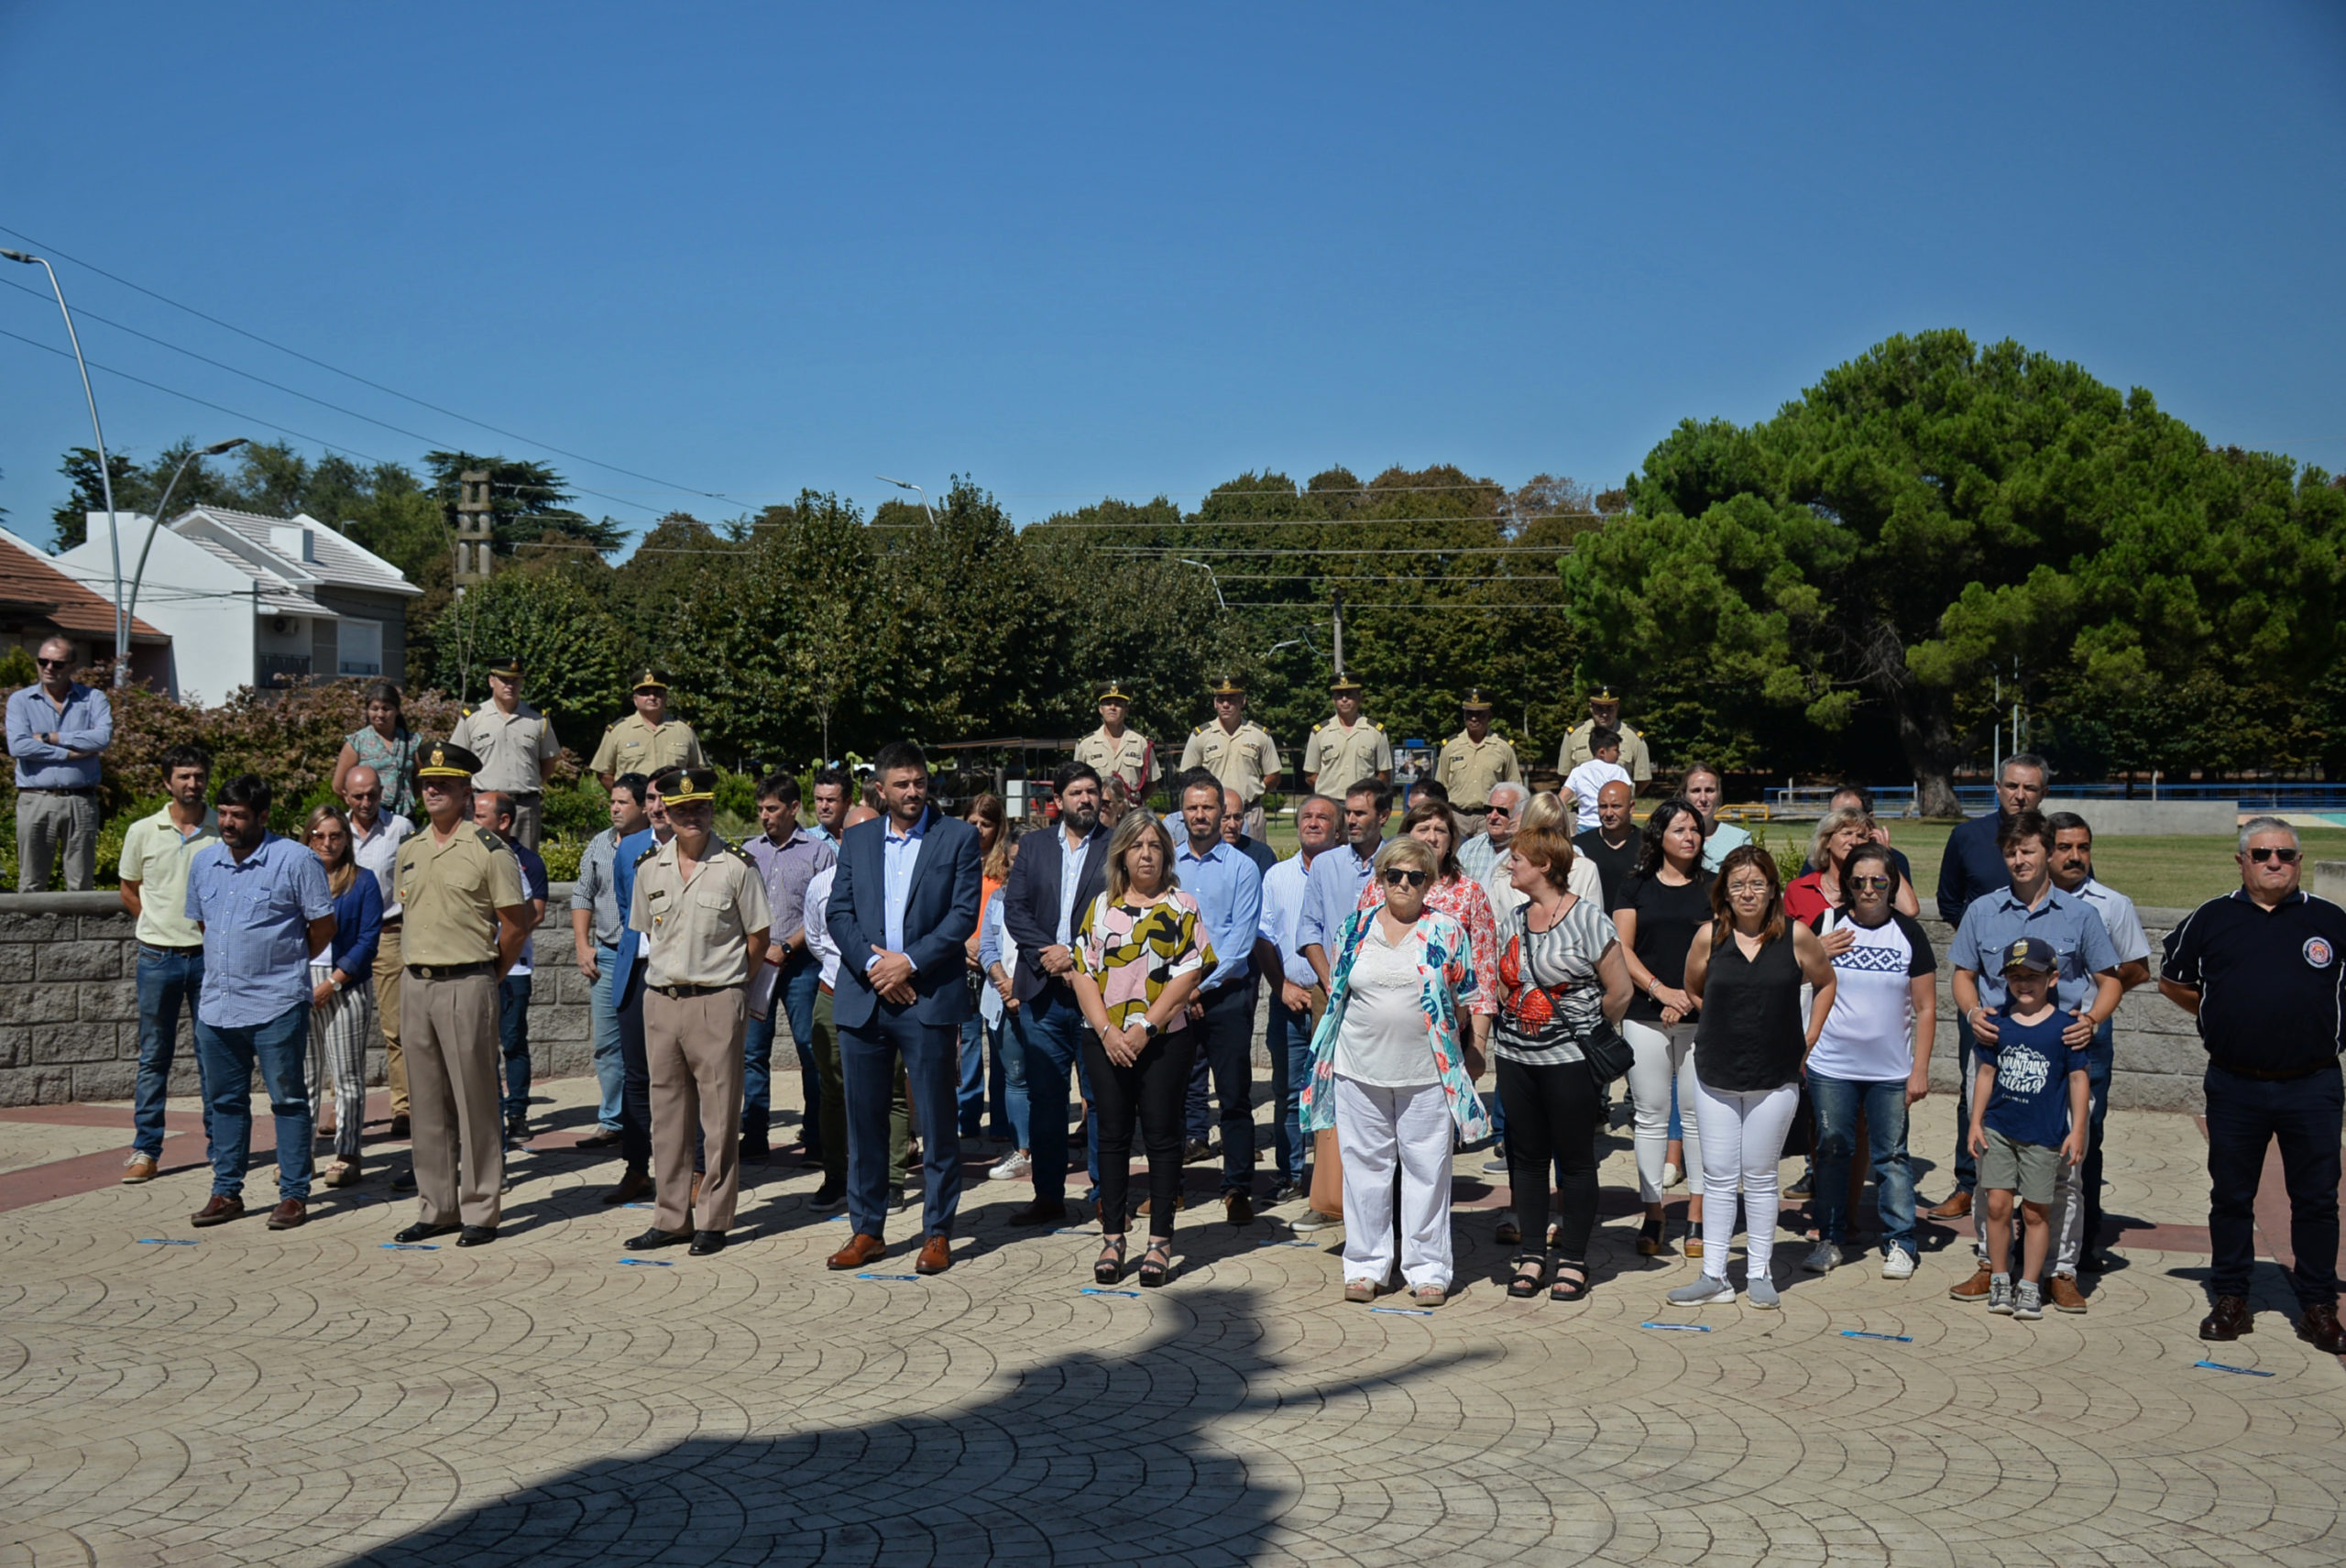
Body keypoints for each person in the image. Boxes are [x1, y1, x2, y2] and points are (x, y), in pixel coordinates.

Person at [2161, 817, 2346, 1353]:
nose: (2274, 863)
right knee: (2232, 1195)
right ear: (2241, 860)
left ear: (2299, 862)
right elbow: (2173, 979)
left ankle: (2316, 1305)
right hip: (2236, 1085)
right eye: (2263, 853)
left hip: (2312, 1086)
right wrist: (2217, 1016)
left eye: (2286, 855)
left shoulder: (2330, 921)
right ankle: (2232, 1297)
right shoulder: (2212, 918)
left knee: (2315, 1200)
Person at [1942, 807, 2123, 1304]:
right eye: (2011, 852)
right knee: (1988, 1166)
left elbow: (2111, 979)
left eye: (2028, 851)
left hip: (2060, 1060)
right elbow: (1961, 972)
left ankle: (2060, 1271)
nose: (2019, 860)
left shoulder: (2080, 914)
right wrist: (1972, 1007)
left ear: (2048, 852)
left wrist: (2090, 1020)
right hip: (1997, 1054)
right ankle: (1990, 1263)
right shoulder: (1983, 911)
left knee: (2065, 1169)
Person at [1303, 836, 1489, 1305]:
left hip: (1426, 1072)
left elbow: (1466, 997)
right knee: (1365, 1169)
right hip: (1357, 1068)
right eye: (1395, 875)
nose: (1404, 884)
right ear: (1381, 878)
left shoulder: (1447, 930)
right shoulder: (1355, 927)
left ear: (1429, 883)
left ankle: (1428, 1269)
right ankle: (1365, 1266)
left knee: (1428, 1170)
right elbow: (1337, 990)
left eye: (1416, 877)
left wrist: (1461, 1042)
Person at [823, 741, 983, 1277]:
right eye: (902, 784)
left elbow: (962, 917)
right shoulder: (860, 837)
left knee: (937, 1121)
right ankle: (867, 1229)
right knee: (864, 1122)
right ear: (881, 789)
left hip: (928, 997)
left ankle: (937, 1232)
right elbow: (838, 911)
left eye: (919, 782)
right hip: (865, 997)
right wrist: (877, 968)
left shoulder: (957, 837)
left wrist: (907, 964)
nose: (913, 792)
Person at [1665, 845, 1837, 1309]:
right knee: (1718, 1176)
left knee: (1759, 1176)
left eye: (1757, 883)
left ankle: (1760, 1272)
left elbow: (1826, 982)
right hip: (1715, 1070)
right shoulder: (1708, 937)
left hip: (1776, 1074)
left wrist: (1810, 1037)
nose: (1748, 893)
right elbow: (1693, 987)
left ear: (1772, 890)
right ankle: (1714, 1275)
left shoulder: (1797, 937)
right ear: (1724, 890)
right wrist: (1724, 1017)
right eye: (1738, 884)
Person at [390, 742, 532, 1247]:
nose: (432, 789)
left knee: (475, 1102)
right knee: (426, 1102)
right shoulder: (409, 850)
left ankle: (480, 1208)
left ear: (465, 791)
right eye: (427, 782)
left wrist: (490, 974)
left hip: (469, 981)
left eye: (443, 783)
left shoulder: (489, 849)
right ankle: (437, 1206)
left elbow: (516, 924)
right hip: (416, 984)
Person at [625, 767, 772, 1255]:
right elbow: (649, 933)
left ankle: (713, 1218)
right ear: (664, 811)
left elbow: (758, 938)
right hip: (662, 1001)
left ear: (711, 809)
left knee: (720, 1117)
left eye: (701, 807)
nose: (693, 816)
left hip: (716, 1000)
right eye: (682, 808)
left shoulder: (737, 866)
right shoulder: (649, 868)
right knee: (666, 1118)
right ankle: (670, 1217)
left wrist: (732, 990)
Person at [182, 773, 334, 1231]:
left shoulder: (295, 859)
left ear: (263, 817)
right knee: (224, 1102)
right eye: (223, 813)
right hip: (217, 1007)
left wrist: (282, 967)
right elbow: (205, 928)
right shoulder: (204, 862)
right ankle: (226, 1191)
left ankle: (293, 1196)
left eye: (239, 816)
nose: (228, 823)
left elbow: (322, 928)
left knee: (287, 1100)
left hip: (276, 1005)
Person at [1070, 810, 1215, 1286]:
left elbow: (1189, 973)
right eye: (1136, 846)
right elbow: (1082, 972)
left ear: (1166, 854)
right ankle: (1113, 1237)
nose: (1146, 853)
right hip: (1105, 1042)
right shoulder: (1101, 907)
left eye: (1154, 845)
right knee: (1111, 1137)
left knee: (1161, 1137)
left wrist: (1144, 1029)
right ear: (1122, 855)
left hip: (1163, 1042)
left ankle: (1159, 1242)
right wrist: (1108, 1032)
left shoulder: (1182, 907)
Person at [1491, 826, 1631, 1302]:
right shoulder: (1512, 919)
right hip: (1514, 1056)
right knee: (1526, 1161)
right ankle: (1532, 1255)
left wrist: (1585, 1031)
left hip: (1569, 1060)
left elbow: (1620, 992)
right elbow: (1503, 983)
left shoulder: (1589, 919)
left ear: (1545, 865)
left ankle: (1573, 1258)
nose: (1510, 865)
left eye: (1517, 859)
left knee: (1574, 1161)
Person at [1802, 842, 1936, 1278]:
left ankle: (1900, 1242)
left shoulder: (1909, 934)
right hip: (1832, 1065)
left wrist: (1920, 1069)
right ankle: (1830, 1237)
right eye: (1858, 881)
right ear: (1847, 885)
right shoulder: (1829, 925)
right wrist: (1815, 950)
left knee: (1892, 1158)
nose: (1869, 889)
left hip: (1891, 1072)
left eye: (1879, 880)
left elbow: (1927, 1007)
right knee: (1832, 1151)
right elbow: (1790, 973)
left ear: (1892, 883)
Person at [1929, 752, 2051, 1221]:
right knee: (1976, 1083)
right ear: (1998, 788)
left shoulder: (2053, 838)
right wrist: (1991, 936)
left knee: (2039, 1086)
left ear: (2042, 794)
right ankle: (1968, 1181)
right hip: (1986, 993)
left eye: (2031, 788)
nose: (2020, 795)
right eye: (2013, 786)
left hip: (2044, 996)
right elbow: (1948, 900)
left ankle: (2033, 1190)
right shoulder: (1967, 837)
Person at [998, 762, 1113, 1226]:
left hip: (1096, 992)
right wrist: (1050, 953)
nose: (1084, 800)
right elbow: (1015, 909)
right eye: (1075, 793)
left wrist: (1075, 956)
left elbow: (1121, 911)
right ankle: (1048, 1195)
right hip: (1042, 992)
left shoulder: (1115, 844)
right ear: (1059, 801)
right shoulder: (1034, 847)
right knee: (1046, 1100)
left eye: (1091, 792)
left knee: (1102, 1099)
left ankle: (1107, 1194)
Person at [2045, 810, 2153, 1282]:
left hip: (2088, 1035)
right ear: (2046, 851)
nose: (2075, 857)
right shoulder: (2024, 902)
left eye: (2083, 847)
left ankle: (2081, 1245)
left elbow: (2139, 967)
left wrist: (2096, 999)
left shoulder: (2112, 904)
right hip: (2030, 1034)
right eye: (2065, 847)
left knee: (2083, 1139)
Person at [1962, 936, 2089, 1321]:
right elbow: (1986, 1073)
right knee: (1997, 1204)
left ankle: (2031, 1284)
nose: (2023, 983)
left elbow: (2079, 1079)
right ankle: (2000, 1277)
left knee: (2036, 1211)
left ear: (2053, 978)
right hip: (1999, 1128)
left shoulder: (2066, 1027)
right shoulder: (1997, 1023)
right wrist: (1975, 1123)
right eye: (2015, 975)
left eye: (2032, 975)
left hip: (2044, 1135)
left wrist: (2078, 1129)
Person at [1612, 797, 1715, 1257]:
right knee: (1650, 1117)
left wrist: (1689, 998)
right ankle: (1654, 1213)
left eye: (1694, 829)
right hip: (1645, 1016)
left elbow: (1724, 950)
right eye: (1679, 829)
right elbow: (1623, 950)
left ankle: (1696, 1217)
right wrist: (1661, 991)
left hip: (1701, 1017)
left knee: (1696, 1119)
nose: (1689, 836)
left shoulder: (1715, 888)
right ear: (1659, 837)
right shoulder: (1634, 887)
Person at [116, 743, 217, 1185]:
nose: (192, 783)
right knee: (154, 1056)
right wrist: (155, 926)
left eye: (198, 775)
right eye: (183, 776)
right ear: (167, 782)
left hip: (209, 960)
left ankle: (223, 1147)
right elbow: (128, 889)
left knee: (214, 1056)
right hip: (157, 959)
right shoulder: (143, 831)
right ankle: (145, 1151)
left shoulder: (221, 828)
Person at [1169, 773, 1266, 1224]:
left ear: (1221, 812)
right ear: (1182, 811)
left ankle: (1237, 1187)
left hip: (1223, 994)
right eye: (1193, 808)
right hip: (1173, 997)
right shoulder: (1167, 866)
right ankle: (1170, 1188)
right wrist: (1179, 990)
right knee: (1167, 1095)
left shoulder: (1243, 868)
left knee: (1233, 1094)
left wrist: (1198, 988)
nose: (1201, 815)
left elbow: (1240, 943)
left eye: (1209, 808)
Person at [743, 772, 837, 1162]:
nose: (765, 816)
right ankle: (754, 1135)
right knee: (752, 1053)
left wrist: (786, 946)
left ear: (793, 808)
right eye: (761, 809)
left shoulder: (818, 852)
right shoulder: (748, 852)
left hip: (801, 967)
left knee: (810, 1051)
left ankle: (817, 1139)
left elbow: (824, 913)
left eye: (773, 808)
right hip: (758, 967)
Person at [1256, 794, 1341, 1207]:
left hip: (1338, 1002)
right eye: (1306, 816)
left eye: (1322, 817)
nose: (1312, 823)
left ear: (1337, 828)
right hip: (1289, 998)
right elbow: (1264, 936)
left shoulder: (1349, 872)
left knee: (1339, 1094)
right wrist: (1279, 986)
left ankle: (1334, 1180)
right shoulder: (1276, 876)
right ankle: (1289, 1174)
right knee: (1288, 1091)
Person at [597, 771, 673, 1205]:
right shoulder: (627, 849)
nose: (658, 807)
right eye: (650, 799)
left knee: (680, 1077)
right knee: (635, 1077)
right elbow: (628, 909)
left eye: (664, 798)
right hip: (636, 973)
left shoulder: (694, 848)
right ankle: (636, 1168)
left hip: (678, 977)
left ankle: (691, 1169)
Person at [302, 805, 382, 1190]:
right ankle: (299, 1155)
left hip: (344, 983)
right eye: (319, 835)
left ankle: (347, 1153)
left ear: (346, 840)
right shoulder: (295, 876)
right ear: (308, 838)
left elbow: (369, 940)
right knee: (301, 1077)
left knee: (347, 1076)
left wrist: (332, 982)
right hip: (300, 985)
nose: (326, 843)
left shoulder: (362, 882)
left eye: (335, 835)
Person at [572, 773, 650, 1149]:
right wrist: (581, 945)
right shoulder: (599, 845)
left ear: (643, 806)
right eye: (612, 802)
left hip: (645, 956)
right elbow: (582, 895)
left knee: (649, 1043)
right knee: (606, 1041)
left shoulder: (657, 845)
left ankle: (649, 1119)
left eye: (623, 802)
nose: (615, 808)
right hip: (606, 953)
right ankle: (612, 1120)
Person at [341, 765, 414, 1137]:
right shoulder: (335, 831)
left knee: (395, 1027)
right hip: (343, 939)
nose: (366, 802)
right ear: (345, 796)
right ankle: (342, 1108)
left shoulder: (400, 828)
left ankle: (403, 1108)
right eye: (358, 796)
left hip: (389, 934)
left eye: (372, 794)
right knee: (339, 1030)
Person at [472, 791, 549, 1143]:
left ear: (503, 822)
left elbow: (535, 913)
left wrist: (504, 939)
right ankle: (488, 1113)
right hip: (474, 966)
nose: (473, 822)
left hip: (513, 968)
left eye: (480, 816)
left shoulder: (527, 862)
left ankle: (517, 1112)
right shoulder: (467, 855)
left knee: (513, 1041)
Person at [7, 635, 112, 891]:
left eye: (57, 663)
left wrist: (50, 738)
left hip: (80, 800)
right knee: (31, 883)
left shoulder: (93, 699)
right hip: (35, 799)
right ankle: (32, 932)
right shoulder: (20, 701)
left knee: (81, 883)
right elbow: (18, 746)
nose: (48, 668)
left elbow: (101, 738)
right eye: (43, 661)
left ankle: (80, 932)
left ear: (73, 666)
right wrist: (67, 753)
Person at [448, 656, 562, 849]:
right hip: (482, 806)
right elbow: (457, 762)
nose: (510, 685)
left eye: (515, 680)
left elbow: (548, 763)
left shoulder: (537, 719)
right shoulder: (473, 718)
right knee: (479, 864)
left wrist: (527, 784)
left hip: (524, 806)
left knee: (524, 870)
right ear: (491, 681)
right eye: (504, 679)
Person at [953, 793, 1008, 1144]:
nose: (978, 830)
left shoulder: (1005, 868)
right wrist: (961, 945)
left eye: (985, 824)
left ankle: (1003, 1122)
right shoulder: (956, 862)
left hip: (997, 966)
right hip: (963, 963)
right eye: (972, 823)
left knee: (1002, 1045)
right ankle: (967, 1117)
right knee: (968, 1044)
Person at [1179, 675, 1283, 840]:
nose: (1226, 705)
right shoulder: (1201, 735)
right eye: (1221, 699)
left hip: (1250, 812)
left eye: (1232, 699)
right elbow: (1187, 776)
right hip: (1212, 815)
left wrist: (1255, 791)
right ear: (1215, 703)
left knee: (1256, 861)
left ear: (1243, 701)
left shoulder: (1259, 735)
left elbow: (1274, 775)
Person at [1786, 808, 1920, 924]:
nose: (1854, 842)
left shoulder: (1874, 886)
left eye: (1861, 836)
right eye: (1847, 833)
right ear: (1827, 841)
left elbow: (1909, 911)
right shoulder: (1800, 888)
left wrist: (1885, 856)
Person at [590, 669, 707, 791]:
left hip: (672, 806)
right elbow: (604, 774)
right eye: (645, 693)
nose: (652, 697)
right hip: (635, 808)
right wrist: (625, 799)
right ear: (635, 699)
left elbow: (696, 771)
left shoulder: (684, 731)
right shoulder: (618, 731)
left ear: (666, 697)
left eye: (658, 693)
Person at [333, 679, 424, 821]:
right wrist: (362, 805)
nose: (380, 714)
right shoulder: (357, 742)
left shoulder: (411, 741)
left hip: (404, 817)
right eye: (374, 709)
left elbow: (420, 780)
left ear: (397, 710)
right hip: (370, 818)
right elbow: (339, 787)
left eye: (386, 708)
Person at [1433, 688, 1521, 837]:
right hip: (1456, 817)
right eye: (1469, 714)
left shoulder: (1503, 747)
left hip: (1489, 817)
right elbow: (1440, 787)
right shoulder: (1450, 746)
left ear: (1489, 716)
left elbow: (1516, 788)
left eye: (1479, 714)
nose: (1474, 719)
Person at [1797, 784, 1912, 884]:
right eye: (1834, 816)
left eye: (1852, 815)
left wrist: (1886, 861)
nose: (1853, 841)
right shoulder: (1816, 861)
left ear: (1870, 819)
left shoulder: (1895, 859)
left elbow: (1907, 908)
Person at [1302, 675, 1393, 799]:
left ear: (1359, 698)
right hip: (1329, 802)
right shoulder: (1319, 732)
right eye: (1339, 695)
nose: (1344, 699)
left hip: (1362, 802)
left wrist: (1370, 795)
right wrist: (1327, 793)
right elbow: (1311, 775)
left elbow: (1384, 773)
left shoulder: (1375, 732)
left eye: (1349, 695)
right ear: (1333, 700)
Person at [1073, 681, 1159, 802]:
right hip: (1100, 812)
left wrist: (1135, 802)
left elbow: (1152, 781)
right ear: (1100, 709)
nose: (1113, 708)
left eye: (1118, 704)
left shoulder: (1141, 743)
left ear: (1126, 710)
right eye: (1108, 704)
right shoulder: (1085, 745)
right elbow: (1077, 781)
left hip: (1131, 814)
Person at [1556, 688, 1652, 787]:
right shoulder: (1574, 735)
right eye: (1599, 708)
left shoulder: (1633, 738)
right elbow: (1564, 774)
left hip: (1618, 801)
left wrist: (1626, 797)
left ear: (1617, 707)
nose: (1604, 714)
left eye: (1610, 708)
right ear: (1591, 707)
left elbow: (1643, 779)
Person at [1573, 780, 1641, 910]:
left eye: (1616, 806)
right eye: (1603, 806)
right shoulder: (1579, 846)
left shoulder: (1648, 845)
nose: (1608, 814)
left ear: (1631, 807)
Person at [1681, 762, 1752, 872]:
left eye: (1709, 790)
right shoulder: (1670, 838)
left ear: (1719, 795)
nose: (1703, 798)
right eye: (1696, 791)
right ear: (1683, 795)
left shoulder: (1739, 840)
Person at [1563, 728, 1630, 832]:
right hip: (1610, 826)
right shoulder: (1618, 771)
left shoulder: (1578, 771)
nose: (1619, 754)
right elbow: (1627, 799)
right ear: (1602, 752)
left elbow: (1562, 799)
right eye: (1616, 750)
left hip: (1584, 827)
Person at [1458, 781, 1524, 886]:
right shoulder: (1468, 849)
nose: (1493, 816)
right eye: (1489, 809)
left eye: (1502, 811)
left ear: (1519, 814)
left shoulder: (1531, 851)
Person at [1219, 786, 1277, 877]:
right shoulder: (1200, 852)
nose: (1233, 825)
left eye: (1238, 817)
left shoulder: (1262, 855)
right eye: (1225, 818)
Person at [810, 765, 852, 845]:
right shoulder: (805, 842)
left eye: (830, 800)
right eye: (819, 799)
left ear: (848, 802)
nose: (824, 806)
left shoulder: (860, 839)